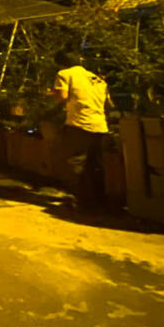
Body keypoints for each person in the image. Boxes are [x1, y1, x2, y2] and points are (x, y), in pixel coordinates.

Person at [52, 50, 112, 211]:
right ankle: (100, 201)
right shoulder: (97, 78)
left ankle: (78, 201)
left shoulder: (64, 74)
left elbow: (62, 97)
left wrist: (51, 97)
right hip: (100, 125)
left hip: (79, 124)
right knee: (96, 165)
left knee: (75, 162)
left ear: (61, 63)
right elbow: (108, 104)